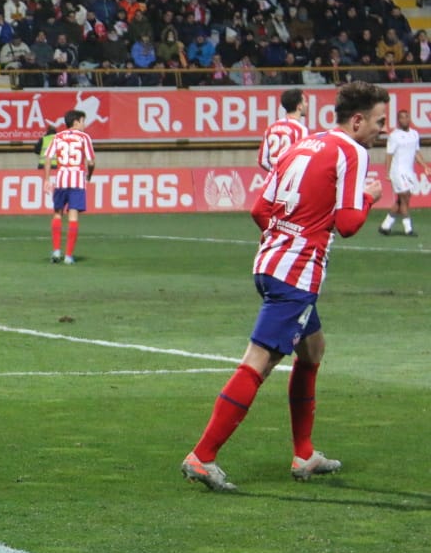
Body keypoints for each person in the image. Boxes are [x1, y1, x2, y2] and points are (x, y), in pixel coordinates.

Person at [181, 81, 387, 492]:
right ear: (359, 120)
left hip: (269, 262)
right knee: (258, 362)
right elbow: (347, 225)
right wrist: (369, 198)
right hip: (296, 275)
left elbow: (259, 208)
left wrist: (284, 238)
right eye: (380, 121)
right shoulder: (352, 152)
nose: (383, 129)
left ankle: (304, 454)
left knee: (312, 350)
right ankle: (202, 456)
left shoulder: (303, 144)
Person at [42, 109, 95, 264]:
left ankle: (57, 251)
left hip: (61, 181)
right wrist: (89, 175)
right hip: (77, 181)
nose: (85, 125)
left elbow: (48, 158)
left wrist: (46, 179)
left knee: (57, 214)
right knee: (73, 217)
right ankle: (68, 256)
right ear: (76, 122)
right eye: (83, 121)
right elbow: (91, 162)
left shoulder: (57, 137)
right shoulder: (84, 137)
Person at [379, 109, 425, 236]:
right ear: (398, 120)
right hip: (397, 171)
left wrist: (425, 166)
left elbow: (417, 152)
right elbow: (389, 155)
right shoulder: (394, 136)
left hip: (409, 172)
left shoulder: (414, 134)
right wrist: (387, 172)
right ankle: (408, 228)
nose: (404, 120)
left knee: (403, 199)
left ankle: (385, 226)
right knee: (404, 197)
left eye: (406, 117)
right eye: (402, 118)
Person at [258, 88, 308, 173]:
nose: (306, 104)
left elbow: (262, 161)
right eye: (305, 102)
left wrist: (275, 173)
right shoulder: (300, 129)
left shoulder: (270, 128)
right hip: (290, 180)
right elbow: (303, 158)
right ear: (299, 106)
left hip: (274, 181)